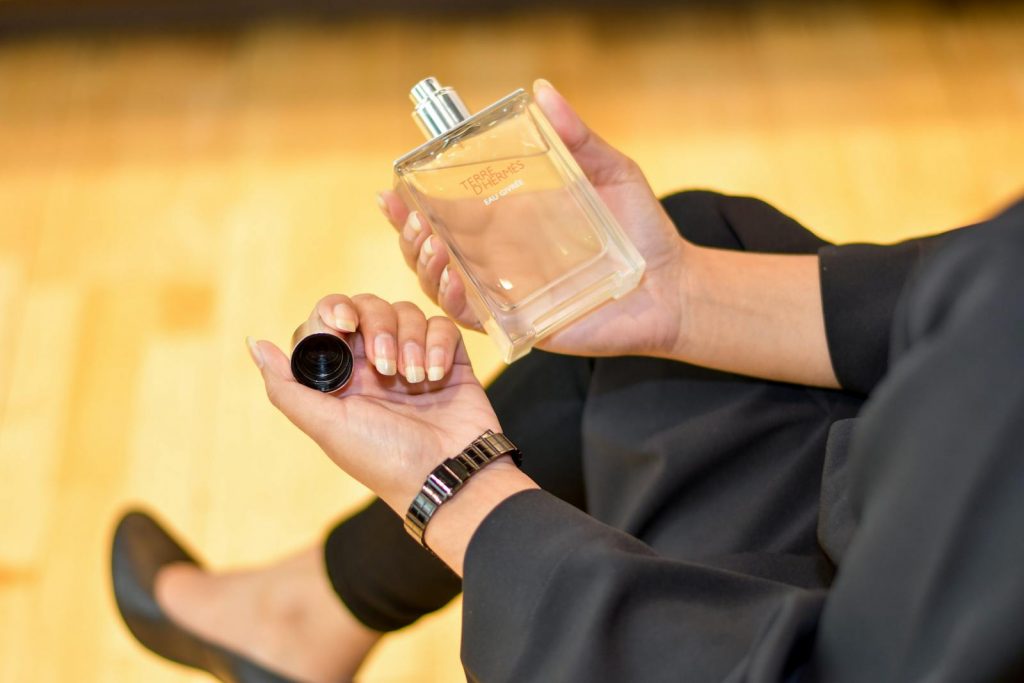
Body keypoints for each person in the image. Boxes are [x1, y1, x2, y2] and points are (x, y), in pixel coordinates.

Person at [111, 80, 1024, 683]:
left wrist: (457, 492)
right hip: (908, 509)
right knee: (688, 260)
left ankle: (305, 613)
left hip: (841, 623)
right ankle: (313, 611)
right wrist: (683, 296)